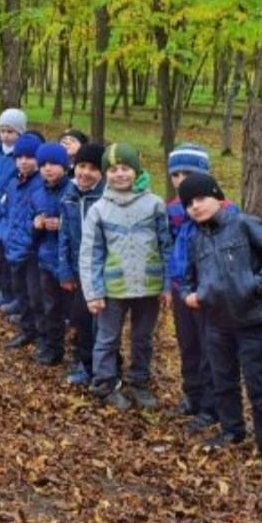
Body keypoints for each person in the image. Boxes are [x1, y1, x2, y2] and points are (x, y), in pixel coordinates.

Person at [178, 172, 262, 483]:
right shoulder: (197, 239)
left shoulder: (243, 224)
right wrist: (190, 294)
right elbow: (187, 278)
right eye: (188, 203)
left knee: (260, 386)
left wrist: (256, 286)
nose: (195, 206)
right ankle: (232, 430)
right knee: (223, 380)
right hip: (215, 323)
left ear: (217, 197)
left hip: (250, 321)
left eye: (200, 198)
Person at [79, 143, 172, 411]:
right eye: (113, 169)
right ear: (105, 174)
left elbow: (166, 247)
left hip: (148, 285)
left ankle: (139, 382)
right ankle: (104, 383)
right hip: (113, 288)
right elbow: (90, 253)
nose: (120, 174)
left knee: (143, 338)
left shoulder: (154, 204)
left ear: (137, 170)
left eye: (125, 168)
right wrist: (93, 292)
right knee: (107, 338)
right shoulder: (99, 210)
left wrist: (168, 285)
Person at [166, 143, 231, 430]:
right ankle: (192, 395)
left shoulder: (223, 210)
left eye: (188, 173)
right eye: (175, 174)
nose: (181, 180)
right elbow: (167, 247)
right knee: (188, 344)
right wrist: (170, 285)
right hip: (182, 287)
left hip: (209, 291)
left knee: (210, 347)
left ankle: (211, 405)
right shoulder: (172, 210)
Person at [57, 142, 106, 385]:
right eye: (82, 166)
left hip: (102, 271)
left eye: (93, 169)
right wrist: (65, 270)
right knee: (81, 319)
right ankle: (85, 363)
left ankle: (104, 368)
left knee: (101, 325)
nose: (85, 173)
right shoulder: (70, 194)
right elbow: (64, 234)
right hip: (78, 270)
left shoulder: (106, 197)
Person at [1, 133, 44, 350]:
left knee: (36, 296)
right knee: (21, 293)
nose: (24, 161)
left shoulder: (41, 185)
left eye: (29, 157)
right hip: (14, 248)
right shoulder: (13, 183)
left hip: (33, 251)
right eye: (19, 157)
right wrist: (7, 236)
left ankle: (44, 335)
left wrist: (30, 239)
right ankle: (27, 330)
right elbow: (8, 213)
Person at [30, 142, 72, 366]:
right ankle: (53, 347)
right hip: (46, 258)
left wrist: (62, 224)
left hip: (69, 262)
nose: (48, 168)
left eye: (53, 163)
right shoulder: (37, 194)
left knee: (75, 311)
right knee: (51, 306)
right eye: (43, 164)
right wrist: (36, 225)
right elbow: (31, 231)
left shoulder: (72, 191)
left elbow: (81, 224)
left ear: (64, 166)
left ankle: (80, 353)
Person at [0, 108, 27, 312]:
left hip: (11, 214)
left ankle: (11, 293)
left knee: (10, 256)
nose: (6, 135)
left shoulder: (21, 158)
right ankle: (1, 288)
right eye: (3, 131)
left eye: (11, 131)